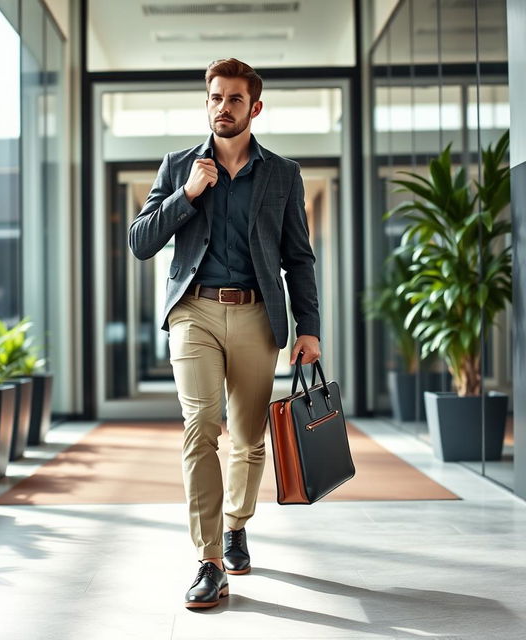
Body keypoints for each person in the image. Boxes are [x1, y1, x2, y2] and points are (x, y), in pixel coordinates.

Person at [128, 58, 321, 609]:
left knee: (248, 435)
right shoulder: (178, 166)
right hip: (195, 313)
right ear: (206, 101)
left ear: (254, 108)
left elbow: (298, 259)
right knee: (201, 426)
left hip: (259, 315)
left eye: (235, 99)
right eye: (215, 97)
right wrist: (186, 195)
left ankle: (237, 523)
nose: (223, 106)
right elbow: (141, 241)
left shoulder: (283, 173)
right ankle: (209, 559)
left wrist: (309, 328)